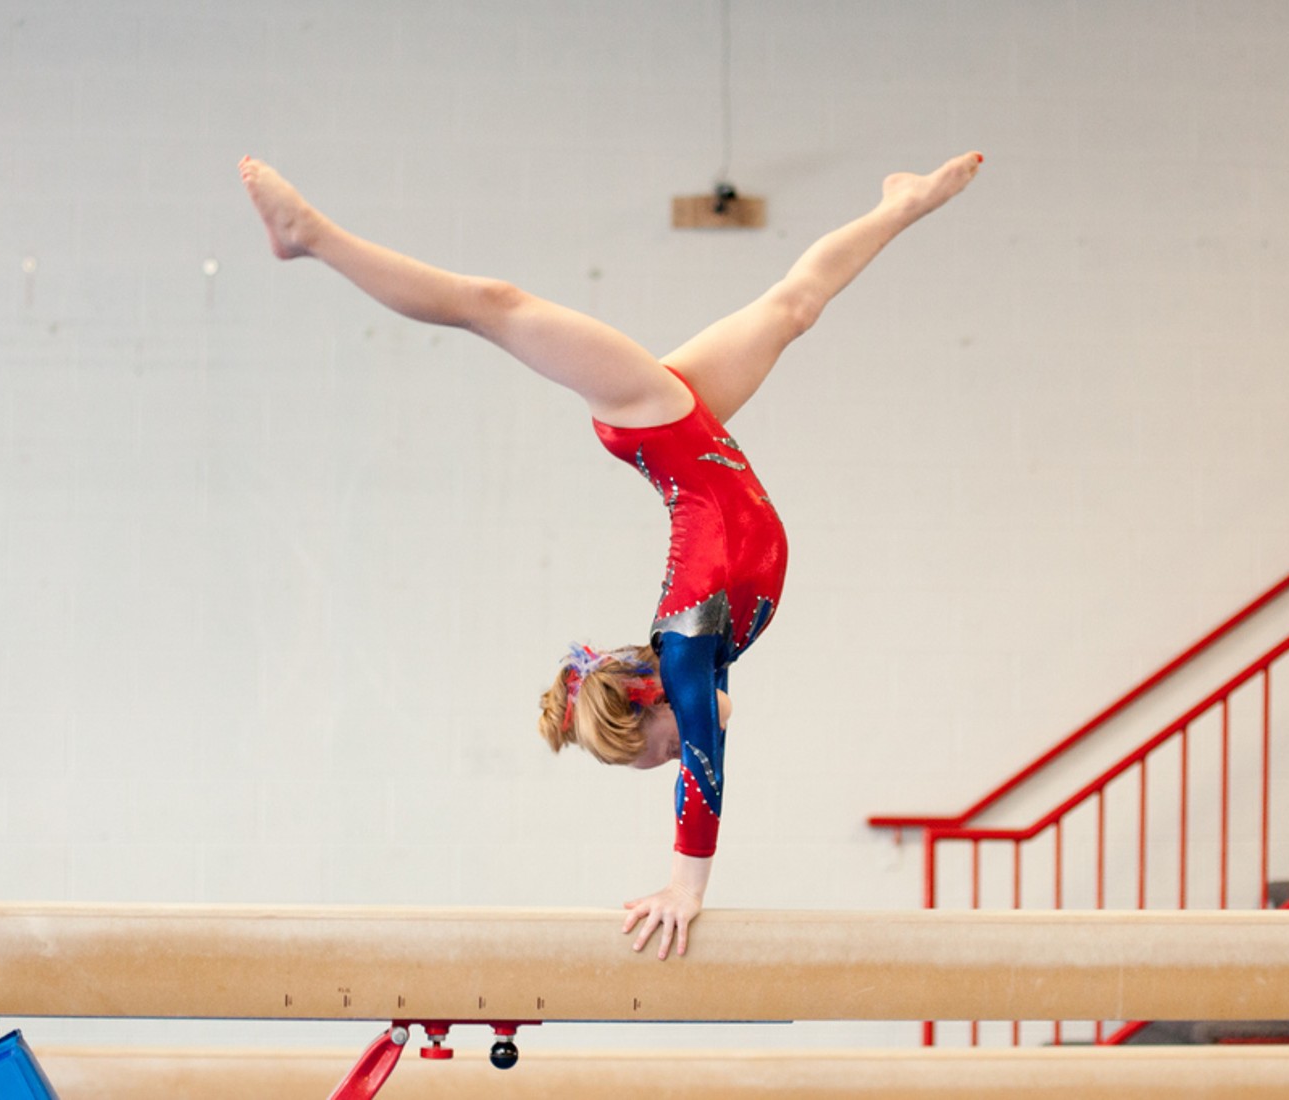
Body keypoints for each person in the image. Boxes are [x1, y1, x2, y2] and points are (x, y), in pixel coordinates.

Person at [240, 150, 982, 959]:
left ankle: (308, 235)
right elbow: (699, 751)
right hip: (686, 433)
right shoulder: (710, 653)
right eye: (667, 755)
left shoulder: (692, 649)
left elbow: (704, 773)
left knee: (494, 305)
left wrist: (684, 888)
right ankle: (900, 205)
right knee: (794, 306)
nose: (680, 754)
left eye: (663, 745)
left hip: (650, 420)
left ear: (654, 698)